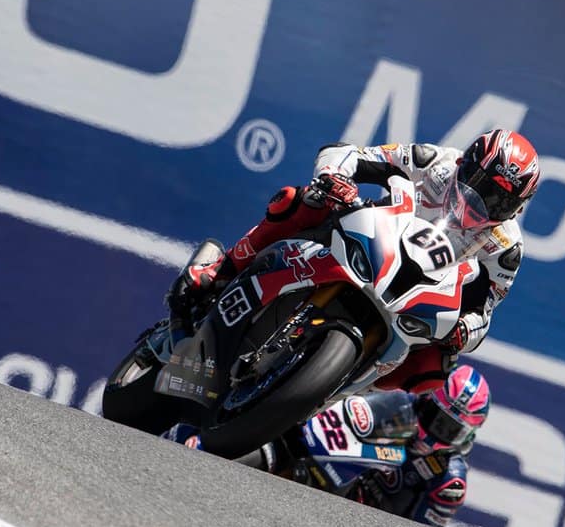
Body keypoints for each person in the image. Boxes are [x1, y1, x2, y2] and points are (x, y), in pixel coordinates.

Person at [167, 130, 541, 394]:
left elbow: (484, 314)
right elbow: (352, 154)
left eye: (499, 200)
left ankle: (336, 391)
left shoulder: (506, 248)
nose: (481, 201)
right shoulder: (434, 161)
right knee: (300, 200)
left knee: (437, 366)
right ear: (466, 162)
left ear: (516, 208)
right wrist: (334, 178)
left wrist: (464, 331)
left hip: (418, 293)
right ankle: (220, 271)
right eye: (480, 183)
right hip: (372, 238)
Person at [164, 364, 490, 527]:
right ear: (427, 401)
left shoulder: (449, 482)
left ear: (465, 436)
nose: (434, 435)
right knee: (289, 439)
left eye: (448, 430)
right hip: (337, 477)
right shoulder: (401, 403)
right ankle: (204, 444)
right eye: (434, 418)